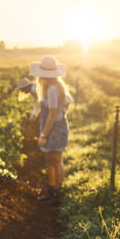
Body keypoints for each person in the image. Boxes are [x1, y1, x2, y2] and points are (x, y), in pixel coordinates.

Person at [29, 56, 72, 202]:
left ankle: (58, 192)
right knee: (50, 161)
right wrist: (36, 114)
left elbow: (52, 114)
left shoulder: (53, 90)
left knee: (56, 160)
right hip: (52, 127)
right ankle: (52, 188)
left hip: (54, 129)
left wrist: (44, 135)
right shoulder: (50, 87)